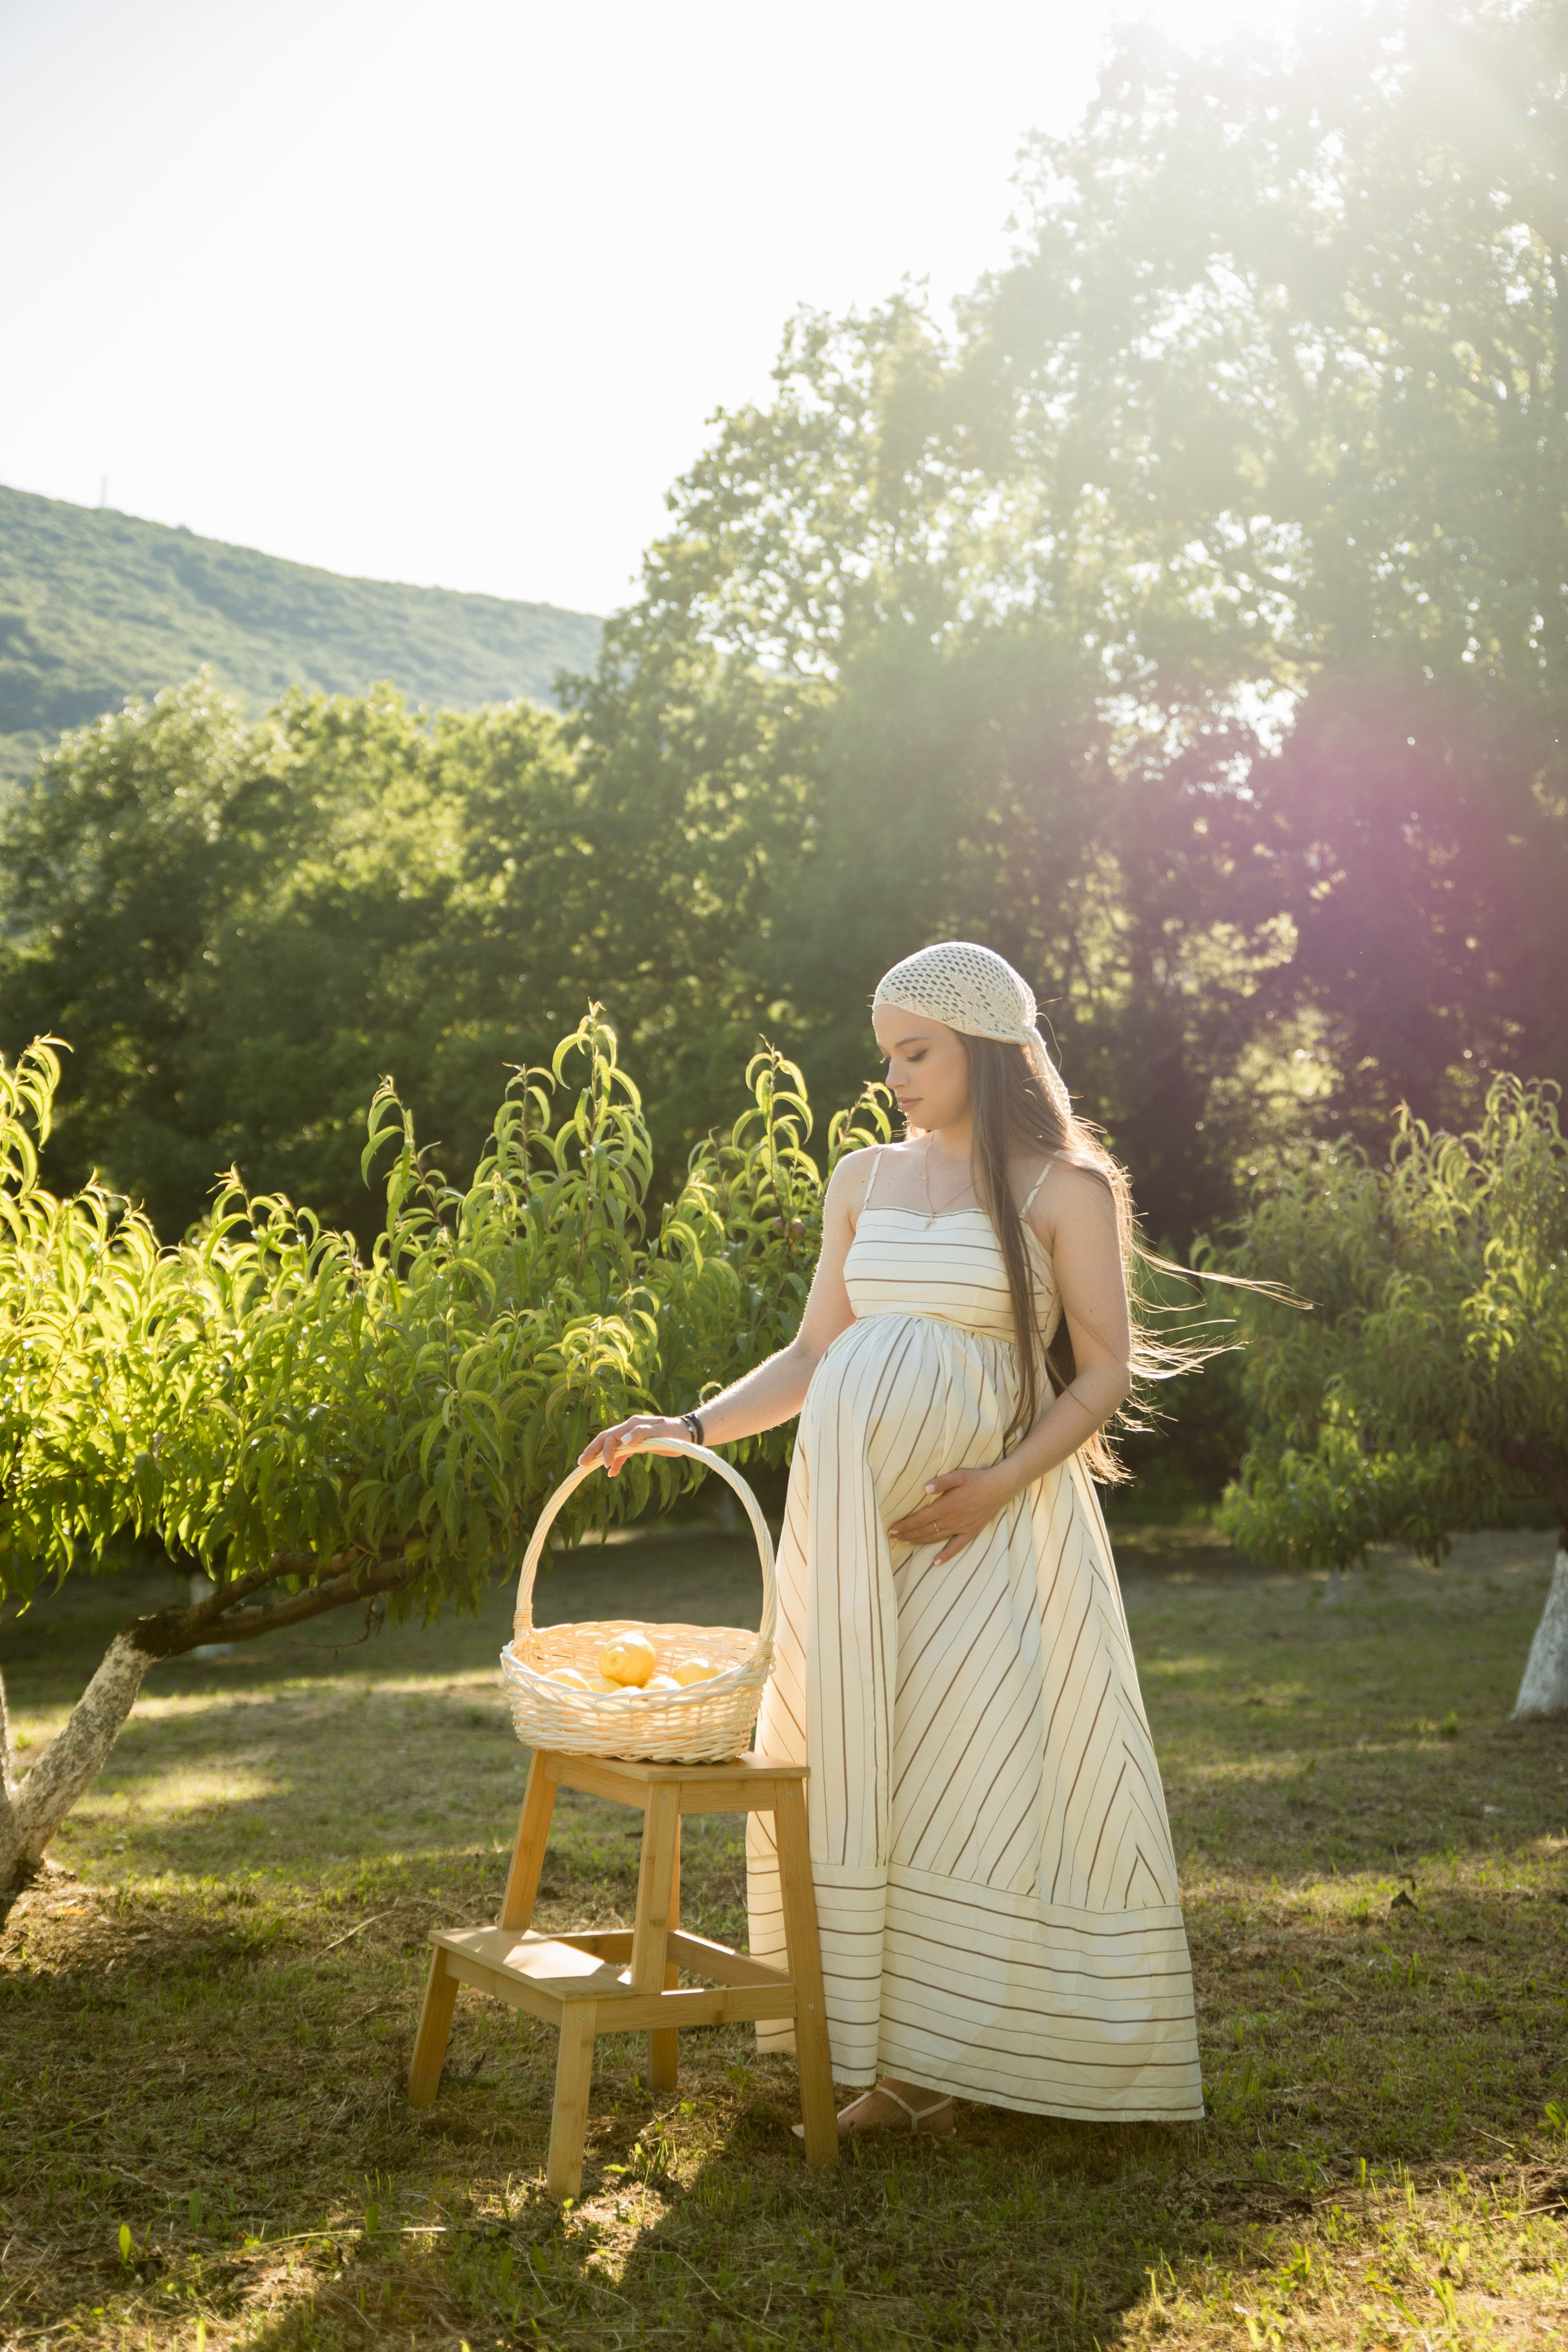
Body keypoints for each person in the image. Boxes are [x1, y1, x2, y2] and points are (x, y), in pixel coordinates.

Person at [579, 941, 1204, 2139]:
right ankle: (893, 2050)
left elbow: (1104, 1368)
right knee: (879, 1761)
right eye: (886, 1057)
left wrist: (997, 1484)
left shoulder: (1061, 1190)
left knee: (989, 1766)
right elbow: (815, 1355)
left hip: (991, 1530)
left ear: (980, 1047)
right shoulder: (863, 1177)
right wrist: (691, 1421)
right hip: (855, 1540)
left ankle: (999, 2049)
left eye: (914, 1054)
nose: (893, 1078)